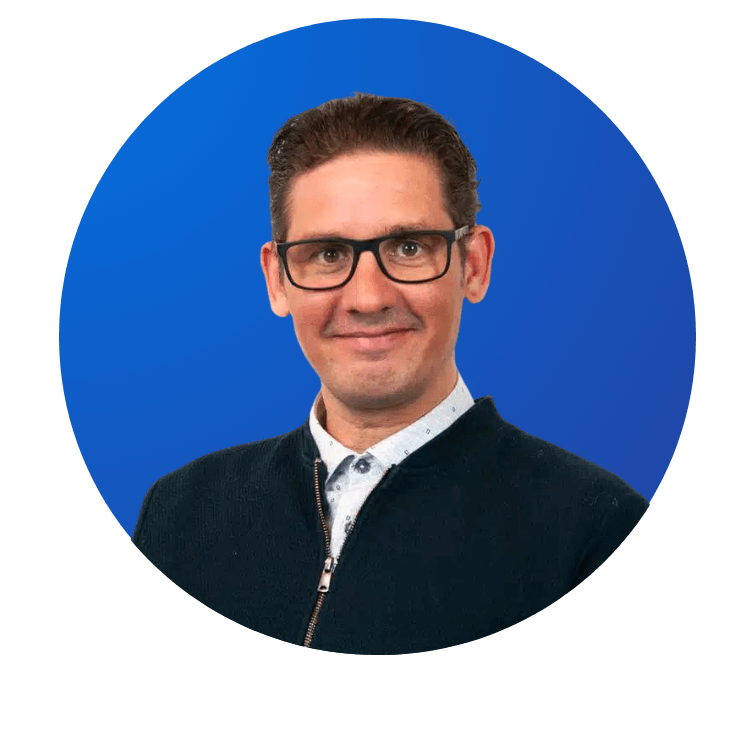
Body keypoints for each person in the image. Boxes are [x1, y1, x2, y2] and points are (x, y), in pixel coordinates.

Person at [132, 93, 648, 654]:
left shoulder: (597, 532)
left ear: (473, 265)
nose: (368, 298)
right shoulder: (181, 513)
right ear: (277, 280)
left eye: (407, 247)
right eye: (328, 254)